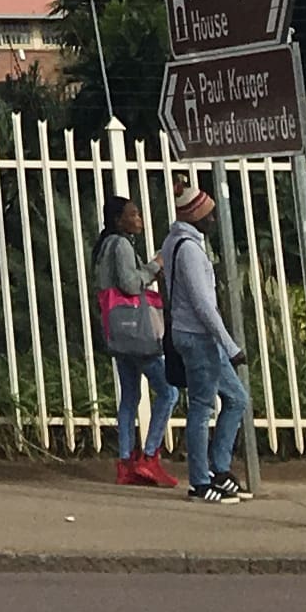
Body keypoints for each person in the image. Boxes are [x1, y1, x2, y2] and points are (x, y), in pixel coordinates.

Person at [160, 172, 252, 503]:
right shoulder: (189, 250)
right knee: (202, 407)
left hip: (195, 335)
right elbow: (202, 304)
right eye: (208, 215)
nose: (213, 220)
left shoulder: (175, 242)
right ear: (196, 217)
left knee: (236, 398)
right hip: (198, 337)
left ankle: (219, 468)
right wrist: (230, 345)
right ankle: (200, 481)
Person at [91, 193, 175, 485]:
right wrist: (154, 266)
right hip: (137, 332)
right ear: (119, 220)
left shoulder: (103, 246)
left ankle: (125, 461)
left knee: (129, 395)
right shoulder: (122, 245)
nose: (139, 219)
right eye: (133, 214)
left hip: (118, 331)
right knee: (168, 392)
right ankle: (150, 456)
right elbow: (129, 284)